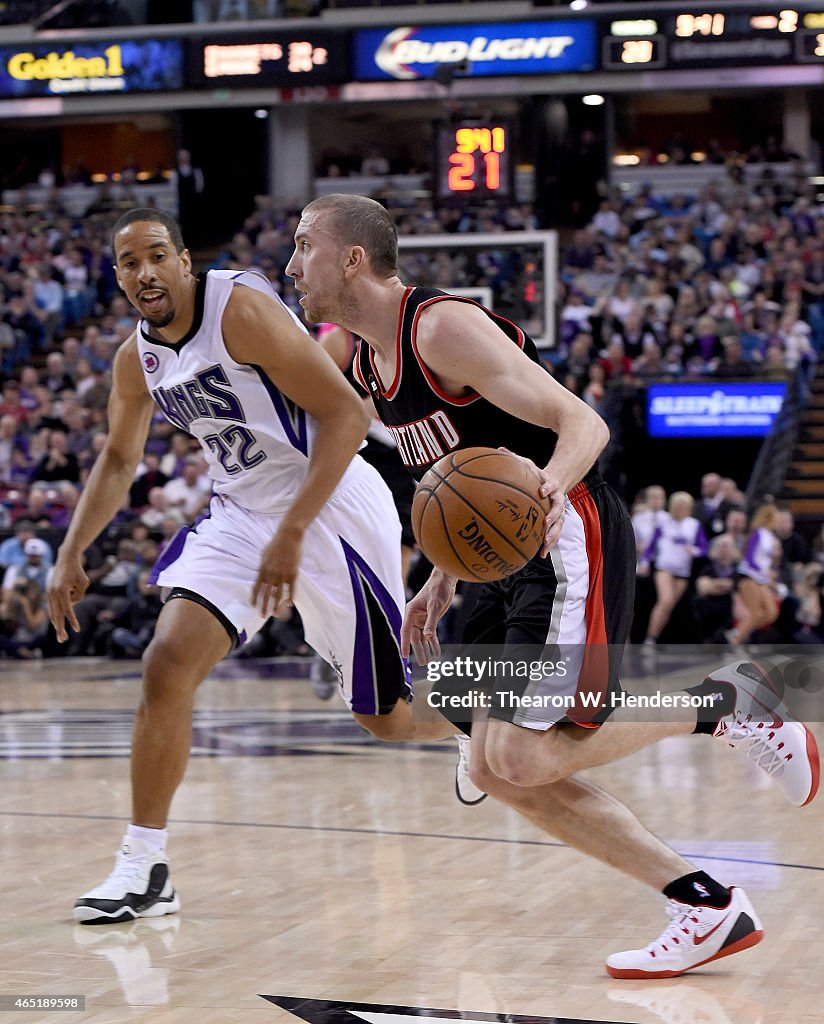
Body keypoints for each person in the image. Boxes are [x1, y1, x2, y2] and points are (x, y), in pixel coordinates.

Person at [285, 193, 820, 979]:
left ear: (352, 258)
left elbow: (586, 425)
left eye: (304, 247)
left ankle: (730, 701)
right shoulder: (367, 360)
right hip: (495, 565)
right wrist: (439, 578)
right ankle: (705, 905)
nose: (293, 265)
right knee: (493, 764)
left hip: (564, 534)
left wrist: (543, 497)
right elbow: (461, 482)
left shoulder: (439, 327)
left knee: (523, 759)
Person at [48, 209, 460, 926]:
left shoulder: (237, 309)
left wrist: (294, 531)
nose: (143, 272)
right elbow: (118, 459)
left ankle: (473, 728)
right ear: (116, 276)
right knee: (166, 662)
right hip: (242, 511)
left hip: (330, 504)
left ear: (183, 260)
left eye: (155, 256)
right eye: (127, 263)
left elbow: (346, 417)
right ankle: (145, 866)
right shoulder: (133, 359)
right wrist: (71, 548)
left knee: (384, 718)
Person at [640, 491, 708, 646]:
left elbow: (704, 548)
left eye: (685, 506)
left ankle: (654, 637)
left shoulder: (694, 525)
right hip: (665, 567)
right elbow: (650, 548)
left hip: (683, 571)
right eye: (679, 506)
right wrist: (644, 563)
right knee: (665, 601)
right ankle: (649, 639)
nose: (682, 509)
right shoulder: (664, 523)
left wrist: (694, 550)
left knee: (668, 607)